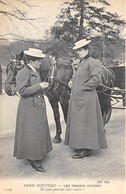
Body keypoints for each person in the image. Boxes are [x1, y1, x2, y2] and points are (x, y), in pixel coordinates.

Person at [64, 39, 107, 159]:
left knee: (86, 122)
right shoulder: (82, 63)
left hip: (86, 98)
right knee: (79, 122)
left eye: (80, 50)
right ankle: (80, 144)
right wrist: (72, 82)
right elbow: (80, 77)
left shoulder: (93, 62)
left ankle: (86, 149)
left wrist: (82, 88)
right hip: (79, 98)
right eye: (78, 50)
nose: (78, 52)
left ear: (87, 50)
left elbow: (95, 79)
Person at [13, 48, 53, 172]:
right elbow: (22, 91)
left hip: (36, 106)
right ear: (31, 61)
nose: (40, 62)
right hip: (29, 108)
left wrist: (43, 87)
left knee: (37, 131)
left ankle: (38, 153)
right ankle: (33, 159)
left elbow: (34, 88)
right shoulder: (24, 72)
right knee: (31, 133)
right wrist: (39, 86)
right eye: (38, 60)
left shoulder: (34, 70)